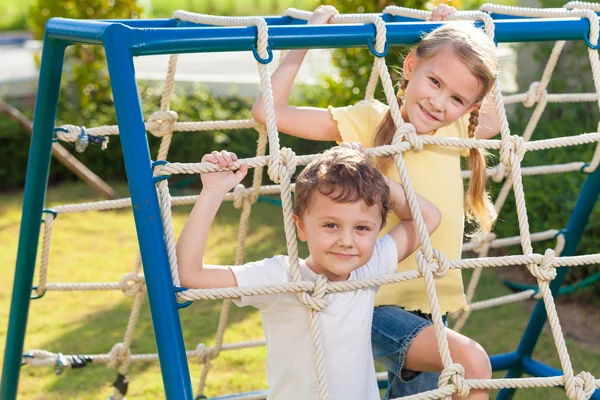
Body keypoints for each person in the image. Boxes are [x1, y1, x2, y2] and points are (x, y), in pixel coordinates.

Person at [251, 5, 497, 399]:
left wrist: (464, 30)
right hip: (370, 299)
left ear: (469, 108)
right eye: (434, 81)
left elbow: (494, 113)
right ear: (410, 66)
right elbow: (268, 113)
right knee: (470, 362)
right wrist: (304, 40)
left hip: (431, 300)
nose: (438, 102)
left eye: (456, 98)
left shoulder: (454, 130)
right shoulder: (369, 120)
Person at [176, 145, 441, 399]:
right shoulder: (282, 277)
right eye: (330, 225)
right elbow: (190, 276)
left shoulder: (368, 269)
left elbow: (427, 217)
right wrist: (212, 191)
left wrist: (367, 173)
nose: (346, 241)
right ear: (300, 227)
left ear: (378, 228)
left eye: (362, 228)